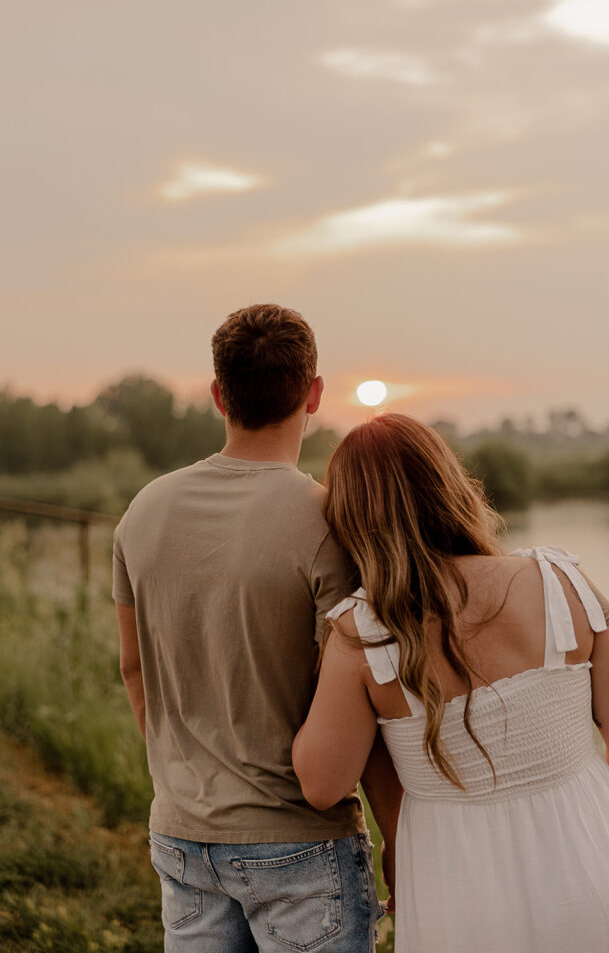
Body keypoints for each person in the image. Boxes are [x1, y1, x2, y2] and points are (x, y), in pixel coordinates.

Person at [293, 413, 609, 953]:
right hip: (598, 865)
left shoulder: (362, 633)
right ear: (450, 485)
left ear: (351, 520)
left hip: (456, 893)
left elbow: (322, 783)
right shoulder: (559, 581)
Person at [113, 304, 386, 952]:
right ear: (314, 394)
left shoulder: (144, 509)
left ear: (217, 394)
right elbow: (359, 697)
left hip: (181, 833)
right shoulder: (326, 520)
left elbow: (133, 666)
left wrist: (183, 775)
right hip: (300, 845)